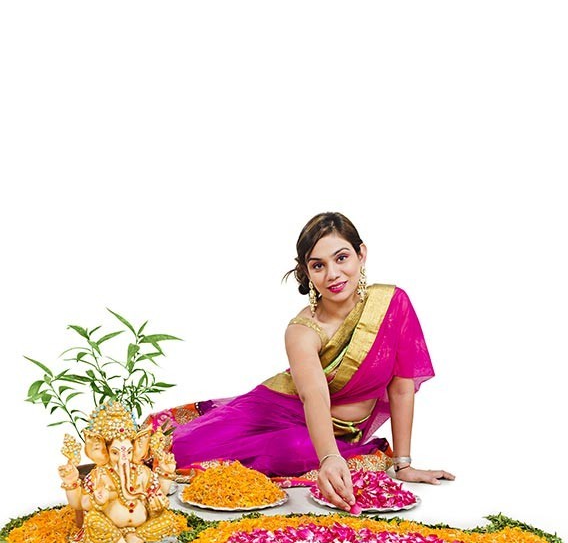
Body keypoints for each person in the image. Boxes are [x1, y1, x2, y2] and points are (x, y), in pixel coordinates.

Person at [154, 212, 454, 511]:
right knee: (173, 451)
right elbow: (314, 395)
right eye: (318, 265)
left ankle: (332, 452)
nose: (333, 274)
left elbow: (401, 388)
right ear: (307, 272)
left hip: (337, 433)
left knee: (300, 449)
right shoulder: (302, 330)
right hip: (277, 410)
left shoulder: (392, 303)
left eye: (341, 258)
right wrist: (329, 457)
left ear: (361, 254)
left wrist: (403, 465)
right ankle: (330, 453)